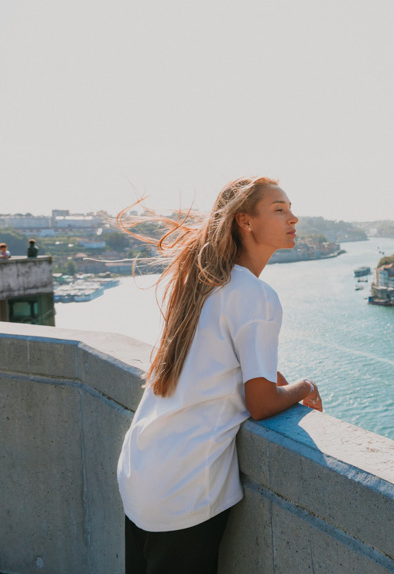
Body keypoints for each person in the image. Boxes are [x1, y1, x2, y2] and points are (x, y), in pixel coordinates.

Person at [116, 177, 322, 574]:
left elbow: (227, 358)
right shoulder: (256, 294)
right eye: (279, 209)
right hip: (185, 488)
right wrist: (305, 387)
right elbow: (260, 404)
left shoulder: (206, 283)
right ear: (245, 221)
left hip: (142, 469)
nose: (293, 217)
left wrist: (276, 376)